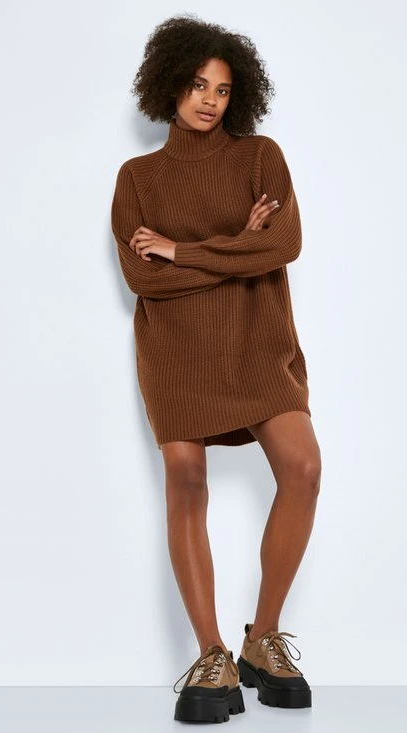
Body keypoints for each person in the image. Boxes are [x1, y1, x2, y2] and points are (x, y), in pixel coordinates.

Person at [111, 14, 321, 724]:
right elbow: (144, 280)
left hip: (258, 342)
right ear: (169, 85)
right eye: (198, 85)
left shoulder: (261, 157)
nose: (209, 100)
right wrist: (237, 245)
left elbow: (283, 245)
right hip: (176, 351)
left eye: (224, 90)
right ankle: (211, 654)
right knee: (186, 478)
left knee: (303, 468)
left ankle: (263, 639)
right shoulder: (137, 178)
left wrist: (183, 248)